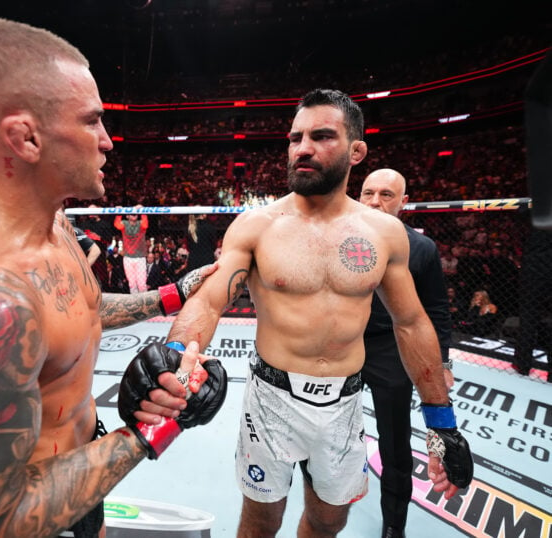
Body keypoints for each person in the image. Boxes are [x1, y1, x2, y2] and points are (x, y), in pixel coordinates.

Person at [0, 17, 226, 537]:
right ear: (26, 138)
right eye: (91, 121)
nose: (107, 141)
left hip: (80, 478)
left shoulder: (54, 223)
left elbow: (81, 308)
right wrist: (156, 427)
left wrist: (171, 295)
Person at [157, 89, 473, 537]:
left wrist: (443, 425)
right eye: (295, 137)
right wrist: (174, 360)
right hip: (270, 400)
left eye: (321, 136)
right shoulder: (257, 225)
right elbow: (209, 300)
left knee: (329, 521)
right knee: (260, 520)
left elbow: (411, 322)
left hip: (344, 402)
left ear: (356, 151)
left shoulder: (384, 234)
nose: (302, 148)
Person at [358, 168, 454, 538]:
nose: (376, 202)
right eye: (368, 193)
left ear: (403, 202)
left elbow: (437, 311)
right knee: (324, 430)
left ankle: (394, 524)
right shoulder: (338, 239)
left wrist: (441, 362)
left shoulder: (422, 249)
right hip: (342, 347)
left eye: (386, 194)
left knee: (395, 444)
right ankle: (325, 502)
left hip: (394, 350)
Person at [512, 229, 552, 378]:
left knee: (528, 319)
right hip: (535, 264)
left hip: (533, 268)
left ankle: (522, 365)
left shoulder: (533, 208)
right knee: (529, 320)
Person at [114, 209, 149, 293]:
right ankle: (136, 303)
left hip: (140, 257)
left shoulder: (140, 223)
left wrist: (142, 211)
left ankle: (145, 303)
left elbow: (145, 225)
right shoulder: (124, 224)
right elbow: (117, 225)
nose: (134, 215)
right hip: (128, 257)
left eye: (136, 214)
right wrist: (119, 213)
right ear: (127, 216)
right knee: (132, 284)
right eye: (132, 214)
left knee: (142, 284)